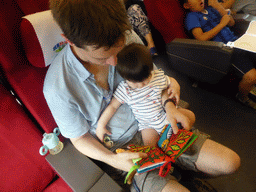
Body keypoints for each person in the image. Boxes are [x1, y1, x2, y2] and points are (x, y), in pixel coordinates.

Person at [44, 0, 240, 191]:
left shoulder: (127, 37)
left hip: (158, 120)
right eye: (102, 57)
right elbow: (79, 139)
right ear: (68, 40)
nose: (114, 62)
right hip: (122, 148)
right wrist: (112, 160)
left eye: (118, 50)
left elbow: (154, 80)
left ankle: (188, 176)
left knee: (231, 162)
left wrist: (169, 104)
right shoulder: (57, 87)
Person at [96, 43, 195, 147]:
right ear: (125, 77)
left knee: (191, 116)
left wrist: (175, 85)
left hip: (165, 114)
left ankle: (174, 139)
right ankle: (165, 147)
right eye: (134, 82)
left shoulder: (156, 76)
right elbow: (112, 106)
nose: (140, 85)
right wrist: (101, 125)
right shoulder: (125, 89)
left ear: (150, 70)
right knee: (150, 146)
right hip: (148, 125)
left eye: (144, 80)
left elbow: (171, 81)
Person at [182, 0, 256, 110]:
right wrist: (222, 24)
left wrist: (221, 9)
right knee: (251, 76)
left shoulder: (211, 10)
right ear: (186, 5)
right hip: (224, 51)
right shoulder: (191, 17)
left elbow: (231, 23)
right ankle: (242, 97)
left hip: (236, 42)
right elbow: (201, 38)